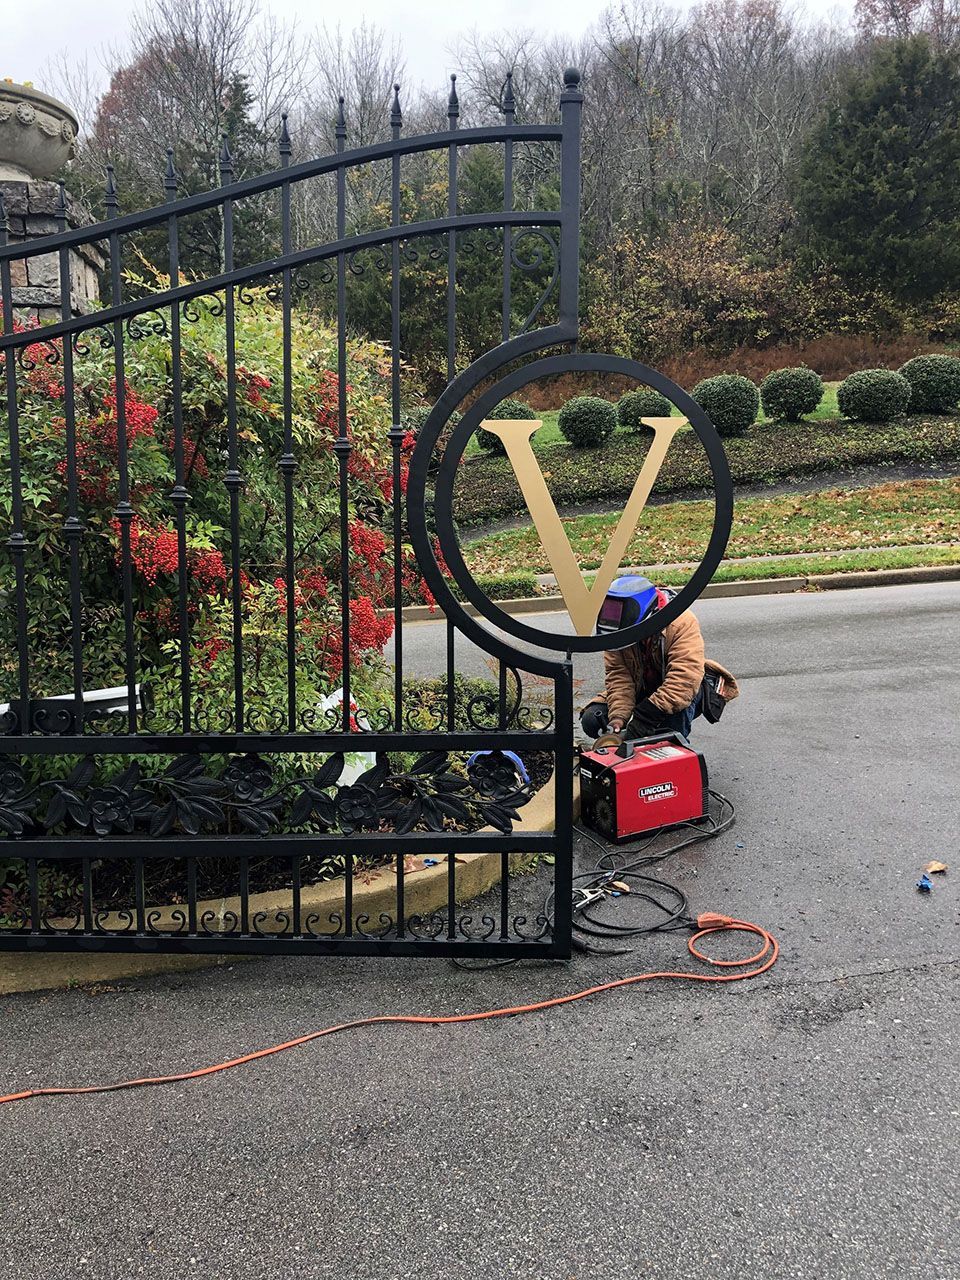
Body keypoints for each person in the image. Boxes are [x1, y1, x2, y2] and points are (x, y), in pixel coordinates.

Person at [580, 575, 739, 742]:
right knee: (592, 721)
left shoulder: (681, 622)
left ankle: (672, 749)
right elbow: (619, 677)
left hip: (683, 688)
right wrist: (617, 718)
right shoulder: (615, 630)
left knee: (665, 733)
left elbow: (683, 681)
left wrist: (645, 718)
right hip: (643, 685)